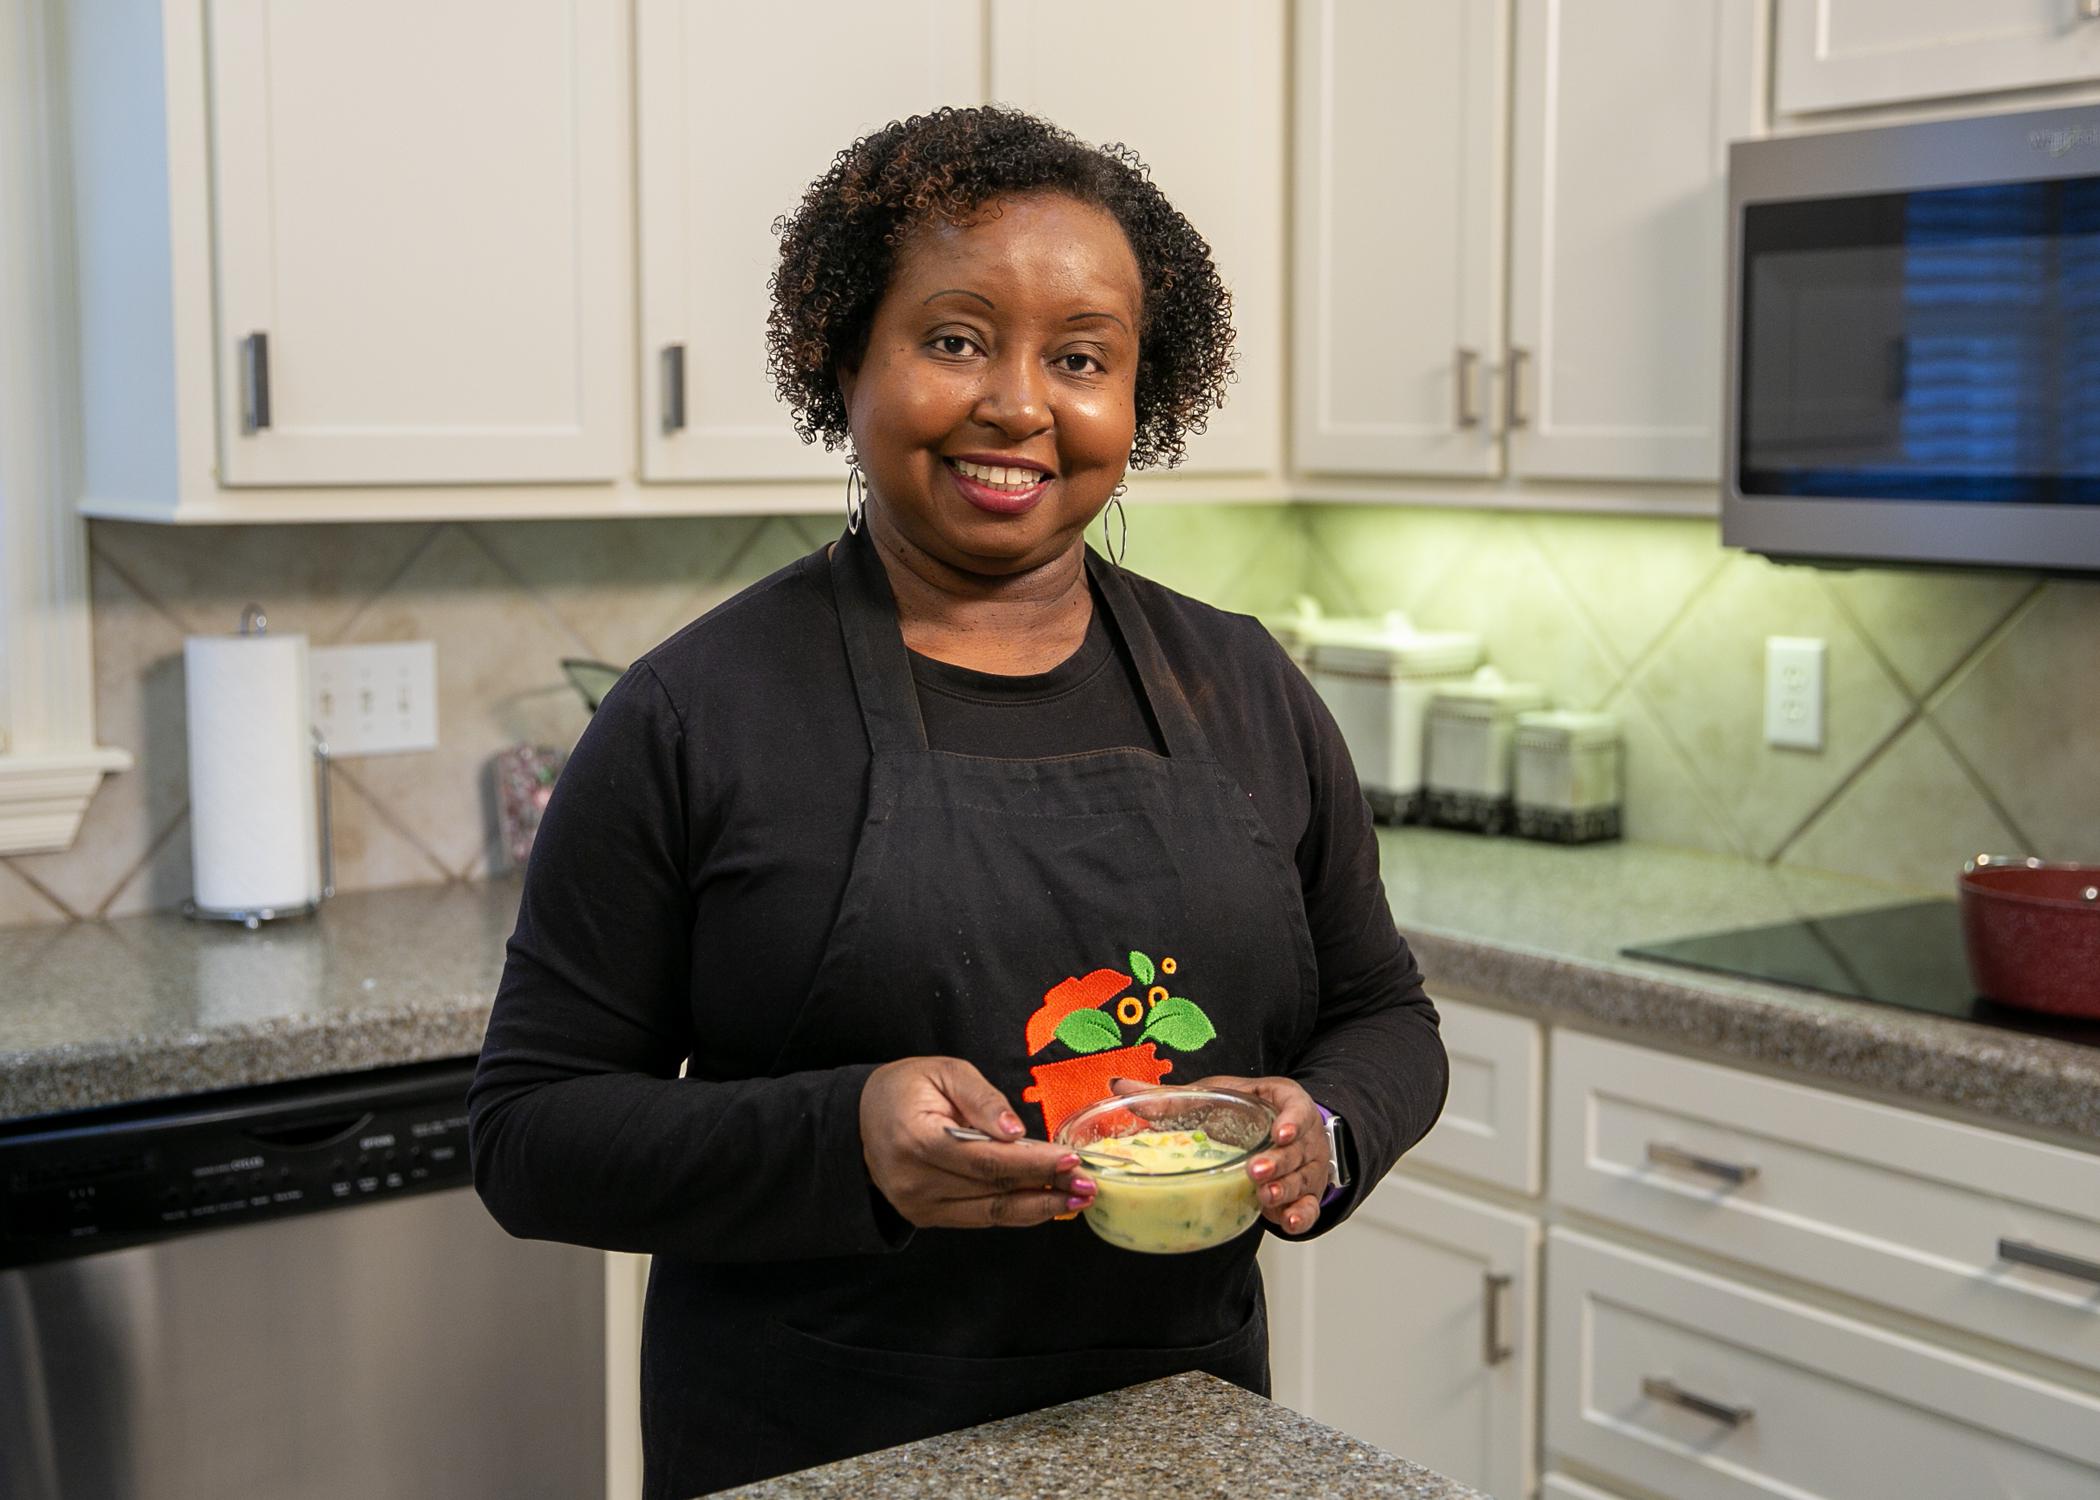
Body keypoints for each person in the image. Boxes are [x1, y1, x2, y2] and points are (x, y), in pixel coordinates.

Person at [469, 106, 1447, 1498]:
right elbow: (528, 1134)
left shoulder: (1244, 685)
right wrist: (842, 1137)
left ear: (1139, 396)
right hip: (817, 1448)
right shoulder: (695, 714)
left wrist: (1326, 1126)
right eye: (954, 339)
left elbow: (1385, 1015)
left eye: (1083, 358)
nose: (1020, 404)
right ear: (843, 361)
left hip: (1180, 1436)